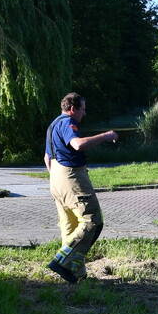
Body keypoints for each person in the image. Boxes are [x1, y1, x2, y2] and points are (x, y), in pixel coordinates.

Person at [44, 93, 118, 283]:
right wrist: (106, 136)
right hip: (71, 177)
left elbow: (47, 157)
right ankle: (62, 261)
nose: (84, 113)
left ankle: (77, 274)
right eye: (83, 109)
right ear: (72, 109)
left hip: (55, 178)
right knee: (92, 220)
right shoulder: (67, 123)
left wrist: (56, 177)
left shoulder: (52, 125)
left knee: (70, 227)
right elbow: (78, 144)